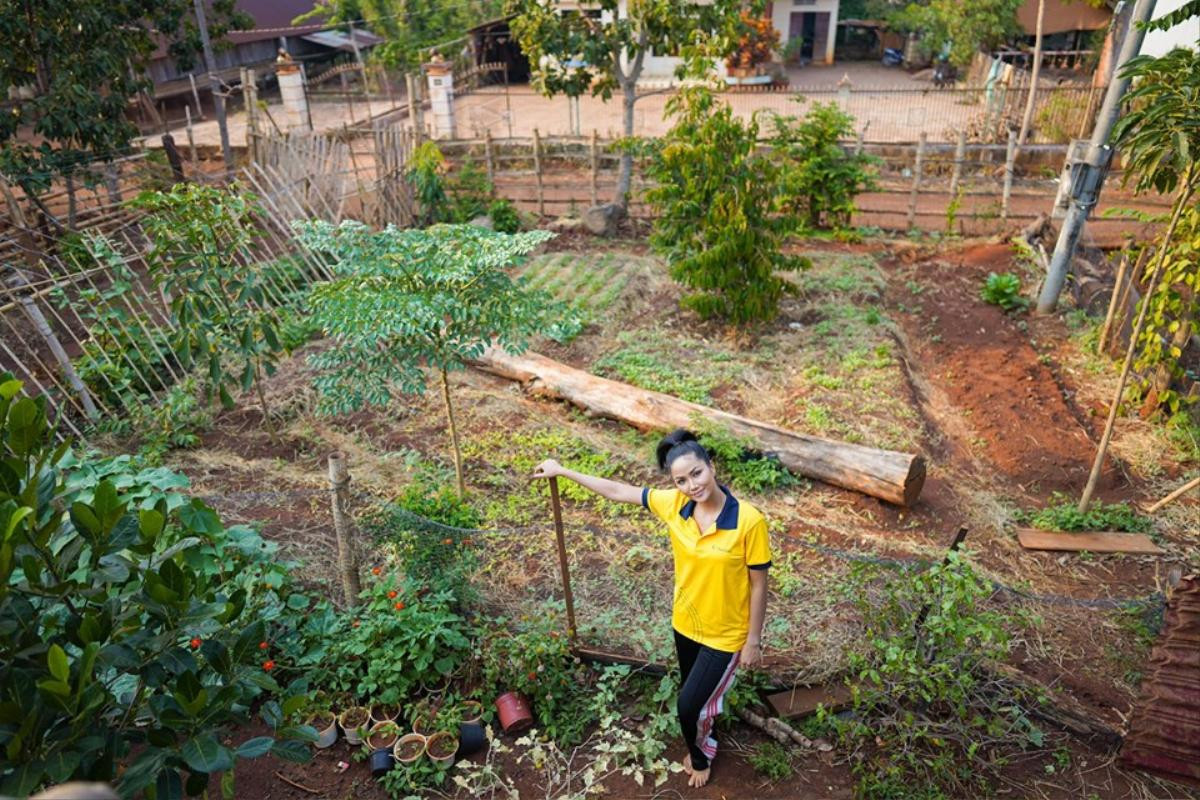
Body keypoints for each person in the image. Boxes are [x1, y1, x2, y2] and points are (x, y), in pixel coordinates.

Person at [532, 429, 770, 789]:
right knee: (699, 698)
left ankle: (702, 752)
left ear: (711, 466)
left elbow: (758, 584)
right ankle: (708, 727)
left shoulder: (748, 521)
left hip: (725, 636)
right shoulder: (674, 504)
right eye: (681, 480)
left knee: (687, 706)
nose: (691, 485)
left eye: (696, 474)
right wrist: (562, 470)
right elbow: (618, 491)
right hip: (685, 623)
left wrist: (753, 639)